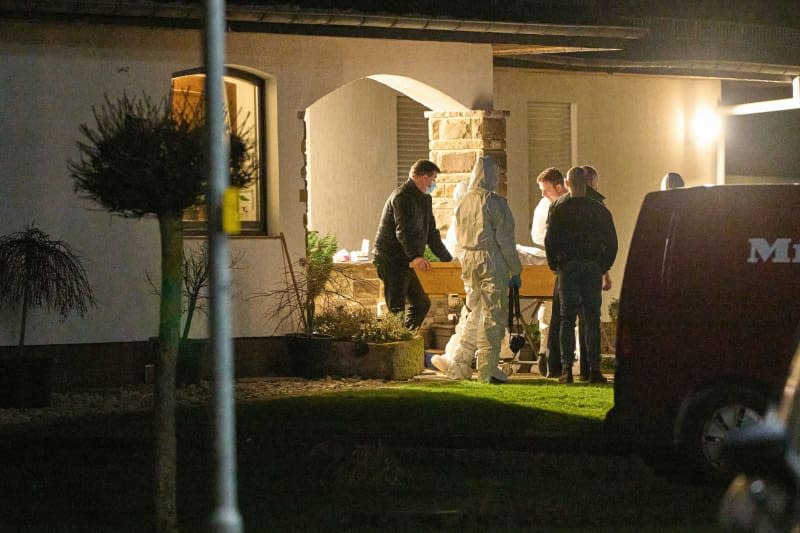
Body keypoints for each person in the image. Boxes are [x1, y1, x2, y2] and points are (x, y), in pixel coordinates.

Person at [447, 156, 522, 383]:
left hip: (468, 261)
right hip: (491, 261)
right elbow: (505, 240)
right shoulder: (494, 202)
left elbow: (459, 236)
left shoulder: (464, 201)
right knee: (493, 313)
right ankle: (488, 369)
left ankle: (459, 364)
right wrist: (515, 269)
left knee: (473, 311)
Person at [545, 166, 617, 384]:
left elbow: (551, 240)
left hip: (568, 267)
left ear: (567, 183)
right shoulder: (598, 209)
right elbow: (612, 242)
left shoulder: (558, 208)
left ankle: (567, 369)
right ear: (585, 183)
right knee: (592, 318)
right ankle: (594, 369)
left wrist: (555, 264)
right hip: (591, 266)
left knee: (567, 319)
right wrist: (602, 265)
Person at [373, 159, 453, 331]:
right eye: (433, 180)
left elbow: (432, 233)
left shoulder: (425, 200)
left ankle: (406, 336)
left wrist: (448, 259)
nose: (434, 184)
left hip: (407, 261)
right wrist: (415, 256)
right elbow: (403, 231)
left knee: (422, 303)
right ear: (424, 177)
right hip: (392, 260)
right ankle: (397, 343)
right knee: (396, 309)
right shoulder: (401, 197)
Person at [530, 167, 566, 376]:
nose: (543, 194)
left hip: (565, 262)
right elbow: (537, 235)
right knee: (550, 311)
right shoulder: (544, 207)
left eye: (546, 190)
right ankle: (546, 353)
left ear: (559, 187)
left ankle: (570, 359)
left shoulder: (570, 204)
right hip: (551, 260)